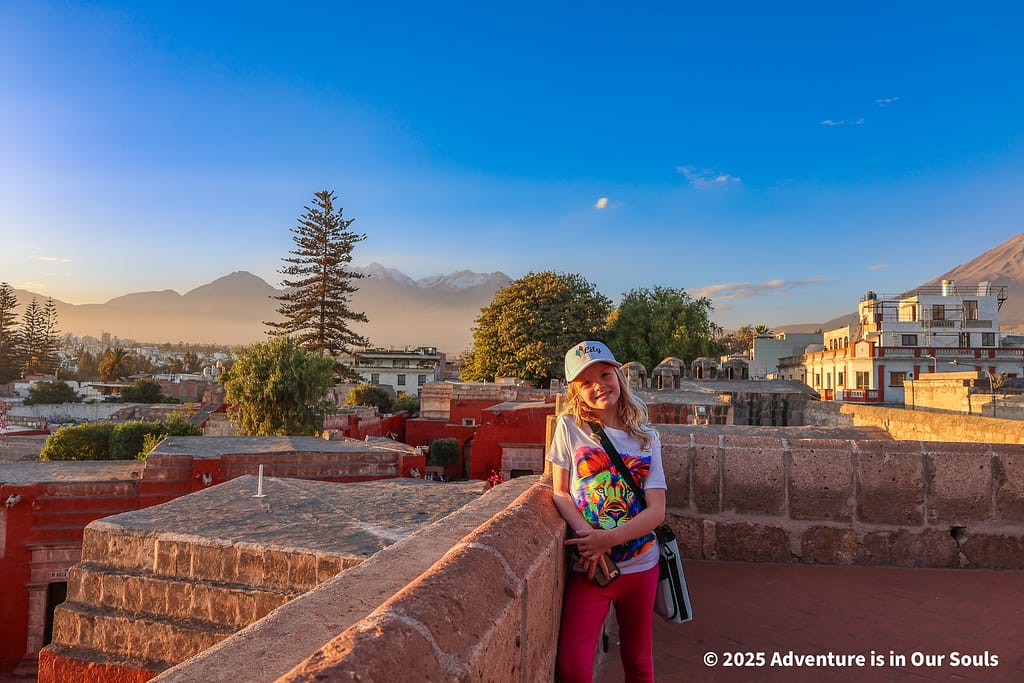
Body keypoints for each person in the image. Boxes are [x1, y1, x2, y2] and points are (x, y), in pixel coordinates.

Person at [547, 341, 667, 683]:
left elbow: (656, 511)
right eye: (586, 382)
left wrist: (607, 539)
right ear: (576, 391)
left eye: (604, 374)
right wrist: (591, 539)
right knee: (572, 666)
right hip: (592, 568)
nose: (598, 385)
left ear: (618, 376)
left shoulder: (646, 439)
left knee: (638, 661)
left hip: (641, 565)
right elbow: (560, 492)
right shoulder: (569, 428)